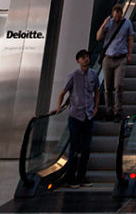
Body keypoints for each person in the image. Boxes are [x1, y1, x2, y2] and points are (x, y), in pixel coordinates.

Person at [52, 48, 99, 188]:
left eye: (87, 57)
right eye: (83, 57)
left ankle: (81, 177)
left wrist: (96, 107)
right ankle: (71, 178)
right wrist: (58, 107)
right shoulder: (73, 76)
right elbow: (63, 93)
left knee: (86, 148)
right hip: (75, 116)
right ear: (78, 61)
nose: (86, 59)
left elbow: (97, 92)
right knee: (74, 148)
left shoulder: (94, 74)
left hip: (88, 116)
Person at [96, 3, 134, 120]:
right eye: (115, 15)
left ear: (122, 14)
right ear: (113, 14)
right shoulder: (109, 23)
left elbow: (130, 39)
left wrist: (129, 55)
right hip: (108, 58)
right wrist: (103, 25)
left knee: (119, 85)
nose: (117, 18)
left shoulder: (127, 23)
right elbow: (98, 37)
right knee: (107, 87)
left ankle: (117, 111)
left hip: (120, 58)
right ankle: (109, 111)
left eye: (119, 15)